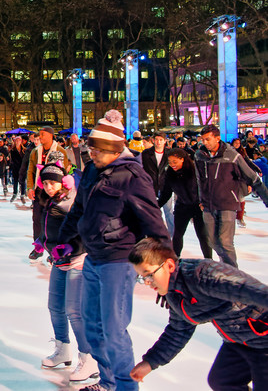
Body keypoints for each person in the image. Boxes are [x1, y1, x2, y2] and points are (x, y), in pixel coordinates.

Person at [56, 110, 171, 391]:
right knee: (93, 329)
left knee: (114, 332)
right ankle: (108, 383)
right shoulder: (94, 170)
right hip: (93, 258)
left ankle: (125, 387)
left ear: (113, 150)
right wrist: (65, 241)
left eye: (96, 150)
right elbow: (80, 209)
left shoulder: (133, 177)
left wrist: (168, 272)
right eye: (90, 148)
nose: (90, 154)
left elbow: (156, 226)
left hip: (119, 261)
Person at [128, 237, 268, 391]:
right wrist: (150, 362)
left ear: (168, 265)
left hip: (263, 340)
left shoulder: (204, 275)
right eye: (142, 278)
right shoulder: (175, 295)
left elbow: (249, 289)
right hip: (237, 341)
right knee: (222, 381)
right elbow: (178, 330)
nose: (147, 282)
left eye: (149, 274)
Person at [33, 159, 99, 383]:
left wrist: (72, 246)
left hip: (77, 260)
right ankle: (63, 349)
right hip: (58, 259)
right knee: (55, 307)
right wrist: (43, 241)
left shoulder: (71, 201)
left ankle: (88, 358)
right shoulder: (52, 200)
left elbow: (84, 231)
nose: (50, 187)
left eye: (53, 183)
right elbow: (51, 228)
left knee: (74, 310)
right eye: (46, 183)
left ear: (63, 181)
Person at [194, 124, 268, 267]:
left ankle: (232, 273)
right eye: (202, 139)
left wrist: (266, 199)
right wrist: (200, 199)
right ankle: (226, 266)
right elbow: (199, 180)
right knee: (212, 241)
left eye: (207, 139)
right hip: (208, 204)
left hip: (227, 202)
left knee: (225, 241)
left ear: (217, 138)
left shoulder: (232, 155)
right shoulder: (199, 156)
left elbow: (252, 178)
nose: (204, 143)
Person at [158, 148, 212, 259]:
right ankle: (175, 258)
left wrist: (205, 203)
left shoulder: (194, 170)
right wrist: (155, 205)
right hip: (182, 207)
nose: (172, 165)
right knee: (177, 234)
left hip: (198, 207)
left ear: (182, 159)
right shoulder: (170, 173)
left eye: (175, 162)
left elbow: (206, 188)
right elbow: (166, 193)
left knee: (202, 235)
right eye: (170, 162)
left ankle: (208, 259)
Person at [26, 127, 71, 260]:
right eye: (39, 135)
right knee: (37, 219)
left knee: (55, 219)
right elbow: (31, 170)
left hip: (55, 191)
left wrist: (64, 190)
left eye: (42, 135)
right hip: (40, 189)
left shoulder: (60, 151)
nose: (40, 137)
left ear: (51, 135)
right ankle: (38, 247)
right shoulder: (35, 151)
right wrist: (30, 187)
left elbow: (65, 171)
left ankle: (54, 249)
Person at [139, 131, 173, 236]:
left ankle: (172, 236)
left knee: (169, 212)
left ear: (165, 141)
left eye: (161, 140)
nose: (158, 142)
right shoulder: (145, 154)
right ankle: (153, 235)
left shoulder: (170, 153)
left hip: (165, 186)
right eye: (156, 139)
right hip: (150, 186)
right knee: (151, 212)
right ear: (153, 140)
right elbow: (141, 169)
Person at [9, 135, 27, 202]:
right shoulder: (12, 150)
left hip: (22, 168)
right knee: (15, 181)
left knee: (22, 181)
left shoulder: (24, 150)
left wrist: (24, 167)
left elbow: (25, 160)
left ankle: (22, 195)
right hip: (16, 168)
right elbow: (13, 160)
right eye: (16, 140)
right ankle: (15, 193)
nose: (17, 142)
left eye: (19, 140)